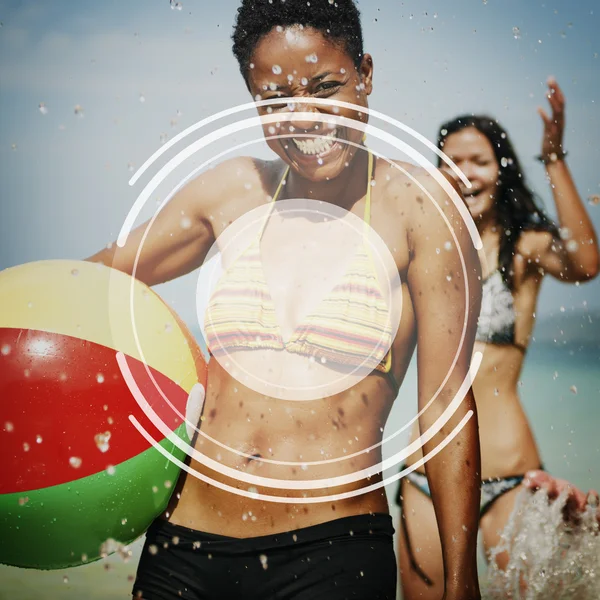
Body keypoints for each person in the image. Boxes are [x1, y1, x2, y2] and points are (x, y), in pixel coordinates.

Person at [87, 1, 483, 599]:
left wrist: (461, 581)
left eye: (327, 87)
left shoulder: (420, 207)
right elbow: (83, 285)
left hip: (331, 551)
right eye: (274, 100)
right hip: (182, 549)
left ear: (366, 74)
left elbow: (447, 405)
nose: (306, 117)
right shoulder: (232, 189)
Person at [396, 78, 600, 600]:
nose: (466, 173)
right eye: (453, 161)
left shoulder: (525, 248)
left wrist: (553, 158)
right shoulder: (420, 253)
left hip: (511, 473)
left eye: (479, 161)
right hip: (426, 473)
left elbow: (586, 261)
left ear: (502, 168)